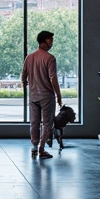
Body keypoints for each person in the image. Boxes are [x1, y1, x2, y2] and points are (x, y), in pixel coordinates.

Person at [21, 29, 62, 160]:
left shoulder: (30, 57)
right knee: (47, 124)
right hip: (47, 96)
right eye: (50, 40)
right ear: (44, 41)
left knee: (34, 122)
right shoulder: (50, 58)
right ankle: (42, 149)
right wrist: (59, 96)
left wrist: (26, 88)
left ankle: (34, 147)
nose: (52, 43)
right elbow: (53, 78)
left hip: (33, 96)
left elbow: (23, 76)